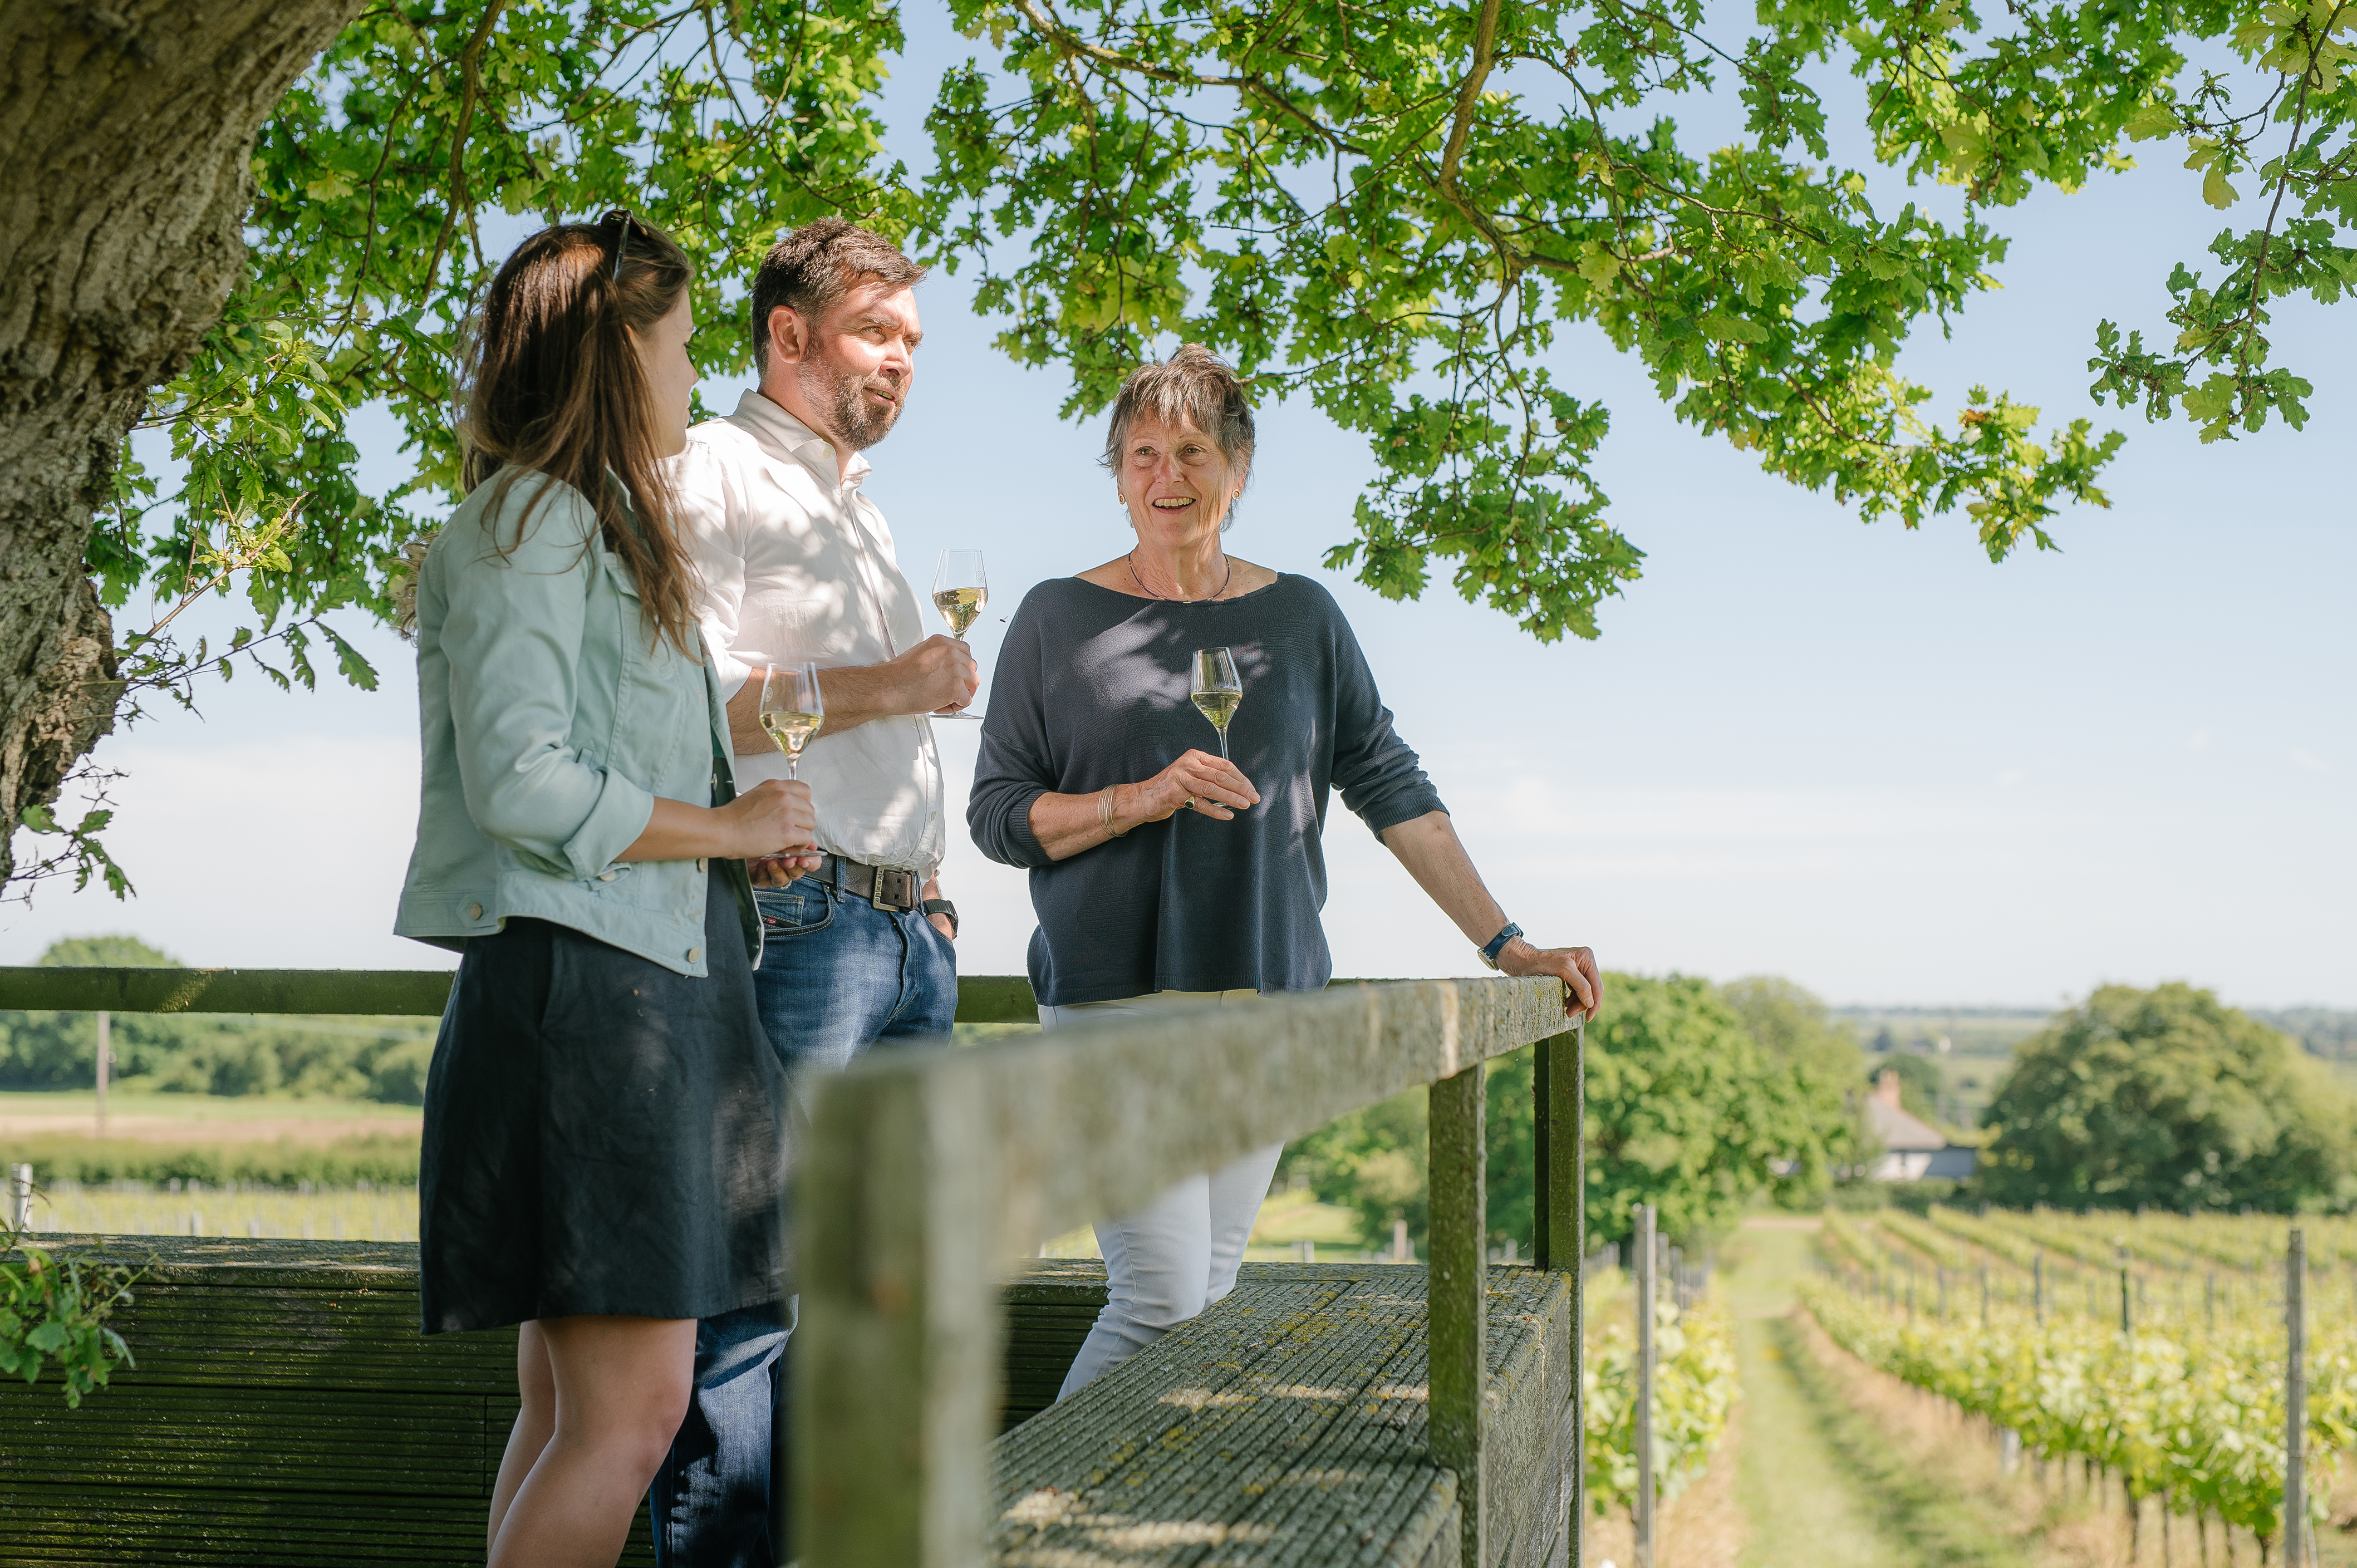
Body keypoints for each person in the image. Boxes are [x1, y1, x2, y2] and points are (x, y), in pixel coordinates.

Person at [968, 343, 1602, 1396]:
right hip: (1113, 1001)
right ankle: (1016, 1532)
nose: (1166, 476)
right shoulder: (1053, 617)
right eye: (1140, 453)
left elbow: (1393, 788)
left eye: (1191, 451)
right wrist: (1143, 797)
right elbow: (997, 816)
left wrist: (1508, 944)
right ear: (1116, 473)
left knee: (1207, 1290)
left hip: (1268, 1000)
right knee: (1160, 1298)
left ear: (1239, 470)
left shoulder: (1301, 617)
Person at [396, 212, 819, 1567]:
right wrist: (726, 818)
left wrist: (728, 838)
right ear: (609, 352)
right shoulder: (532, 516)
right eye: (682, 348)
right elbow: (523, 782)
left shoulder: (593, 522)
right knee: (632, 1420)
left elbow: (603, 777)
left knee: (571, 1409)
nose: (693, 377)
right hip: (591, 1008)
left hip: (641, 986)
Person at [651, 218, 973, 1565]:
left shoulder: (857, 499)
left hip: (903, 933)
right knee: (753, 1296)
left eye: (911, 343)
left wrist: (930, 894)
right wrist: (900, 684)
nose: (901, 363)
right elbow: (687, 708)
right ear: (787, 335)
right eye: (874, 336)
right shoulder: (710, 472)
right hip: (797, 926)